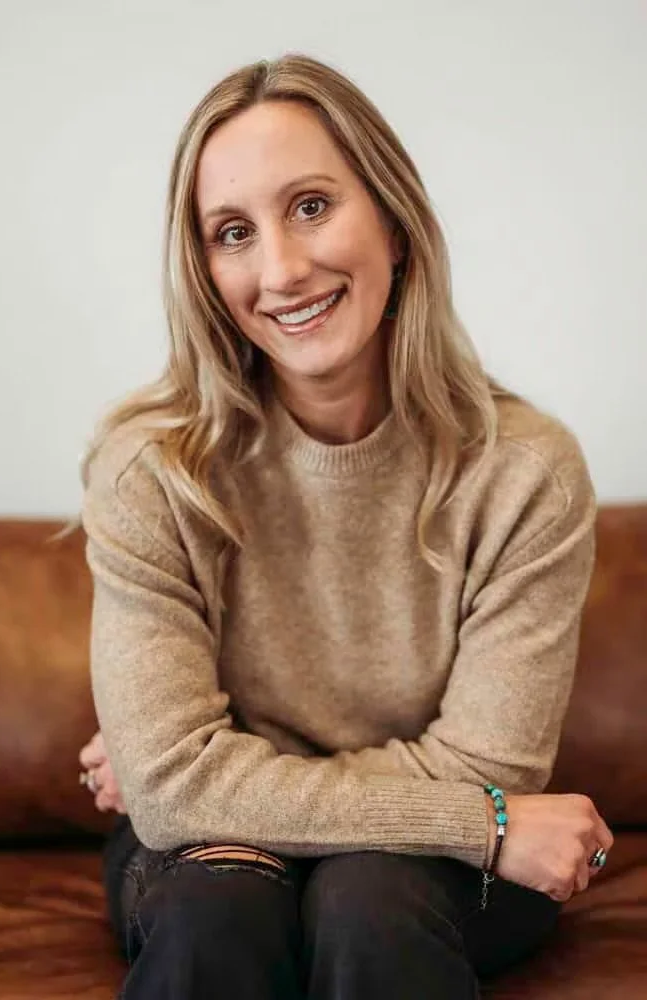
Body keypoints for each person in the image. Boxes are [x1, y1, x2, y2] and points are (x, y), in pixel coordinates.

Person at [78, 52, 613, 1000]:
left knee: (367, 897)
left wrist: (215, 773)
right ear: (203, 270)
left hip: (428, 881)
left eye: (312, 206)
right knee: (218, 902)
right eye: (233, 232)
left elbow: (487, 764)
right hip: (238, 860)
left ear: (394, 224)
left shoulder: (526, 471)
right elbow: (172, 795)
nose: (281, 269)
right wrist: (480, 822)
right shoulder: (148, 471)